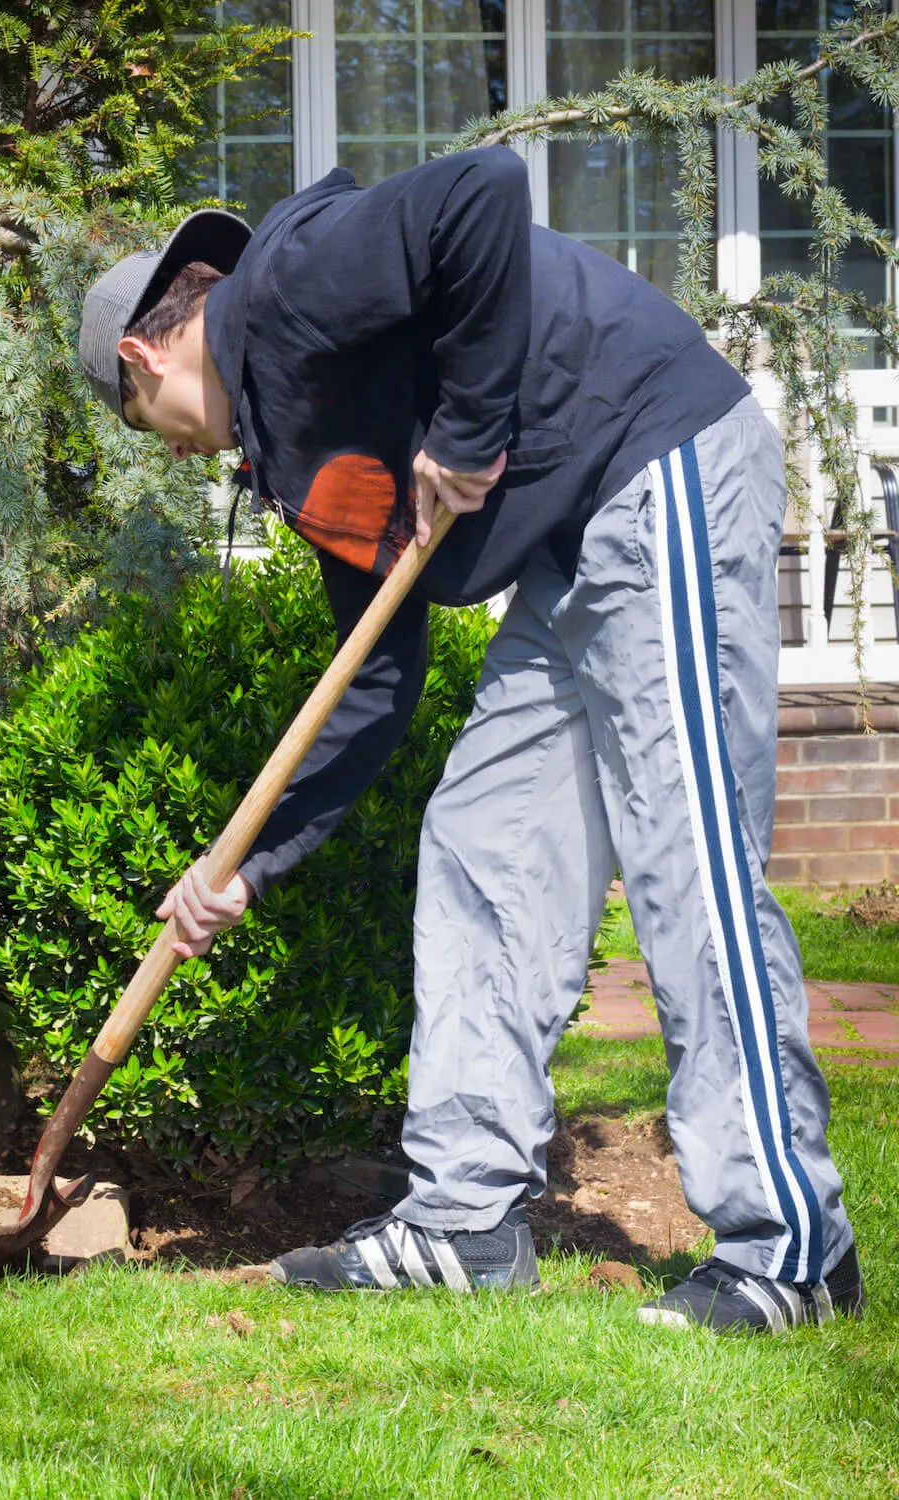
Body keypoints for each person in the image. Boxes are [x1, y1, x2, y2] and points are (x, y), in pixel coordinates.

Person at [77, 147, 862, 1333]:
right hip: (568, 548)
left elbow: (479, 196)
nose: (181, 454)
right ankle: (462, 1221)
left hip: (661, 465)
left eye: (153, 430)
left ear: (144, 357)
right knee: (480, 844)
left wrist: (468, 428)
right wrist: (246, 868)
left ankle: (790, 1247)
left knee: (689, 860)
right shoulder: (294, 440)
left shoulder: (284, 282)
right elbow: (372, 688)